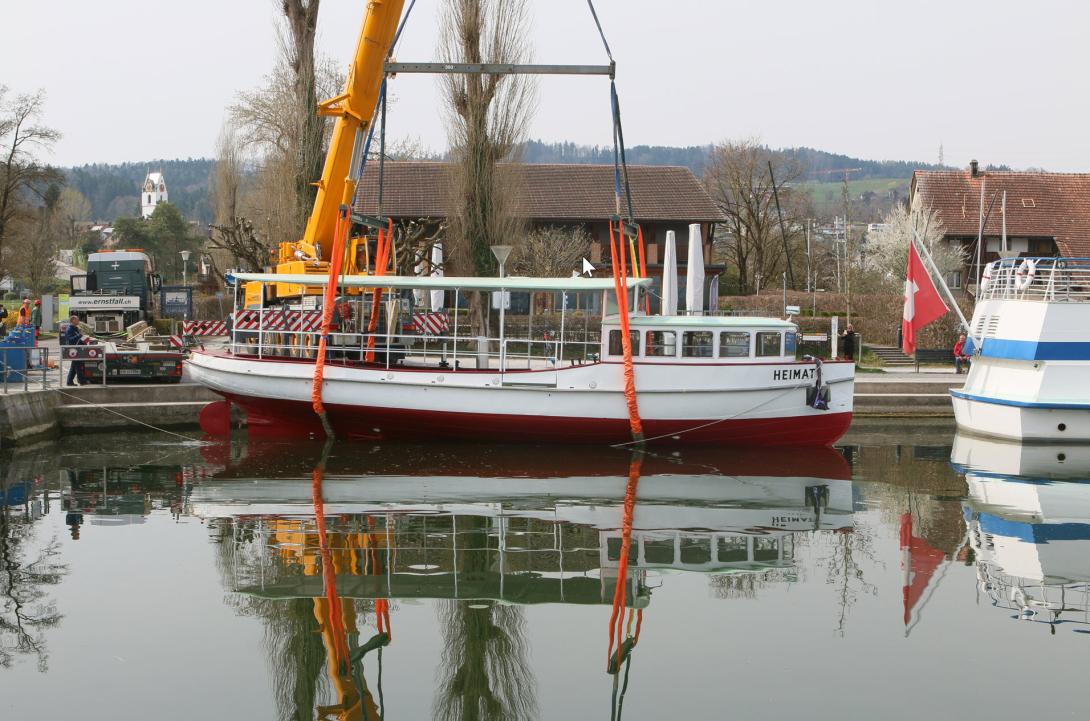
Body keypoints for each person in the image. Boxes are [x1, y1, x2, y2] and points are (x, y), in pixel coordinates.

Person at [64, 315, 87, 386]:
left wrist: (84, 340)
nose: (78, 321)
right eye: (77, 320)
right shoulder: (69, 329)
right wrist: (79, 335)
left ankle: (69, 381)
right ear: (73, 320)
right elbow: (70, 340)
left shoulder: (75, 328)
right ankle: (82, 381)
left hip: (78, 349)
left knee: (74, 367)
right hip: (73, 350)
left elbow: (78, 338)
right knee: (78, 365)